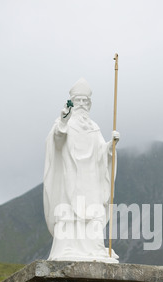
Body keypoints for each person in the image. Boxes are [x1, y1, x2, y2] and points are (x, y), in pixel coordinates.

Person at [44, 77, 120, 263]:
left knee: (93, 212)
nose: (82, 104)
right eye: (78, 100)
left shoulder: (94, 127)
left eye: (85, 101)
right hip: (70, 175)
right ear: (72, 102)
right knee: (69, 212)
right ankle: (68, 247)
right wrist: (62, 122)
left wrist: (111, 146)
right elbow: (58, 140)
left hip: (91, 179)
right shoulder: (64, 123)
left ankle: (94, 249)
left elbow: (101, 151)